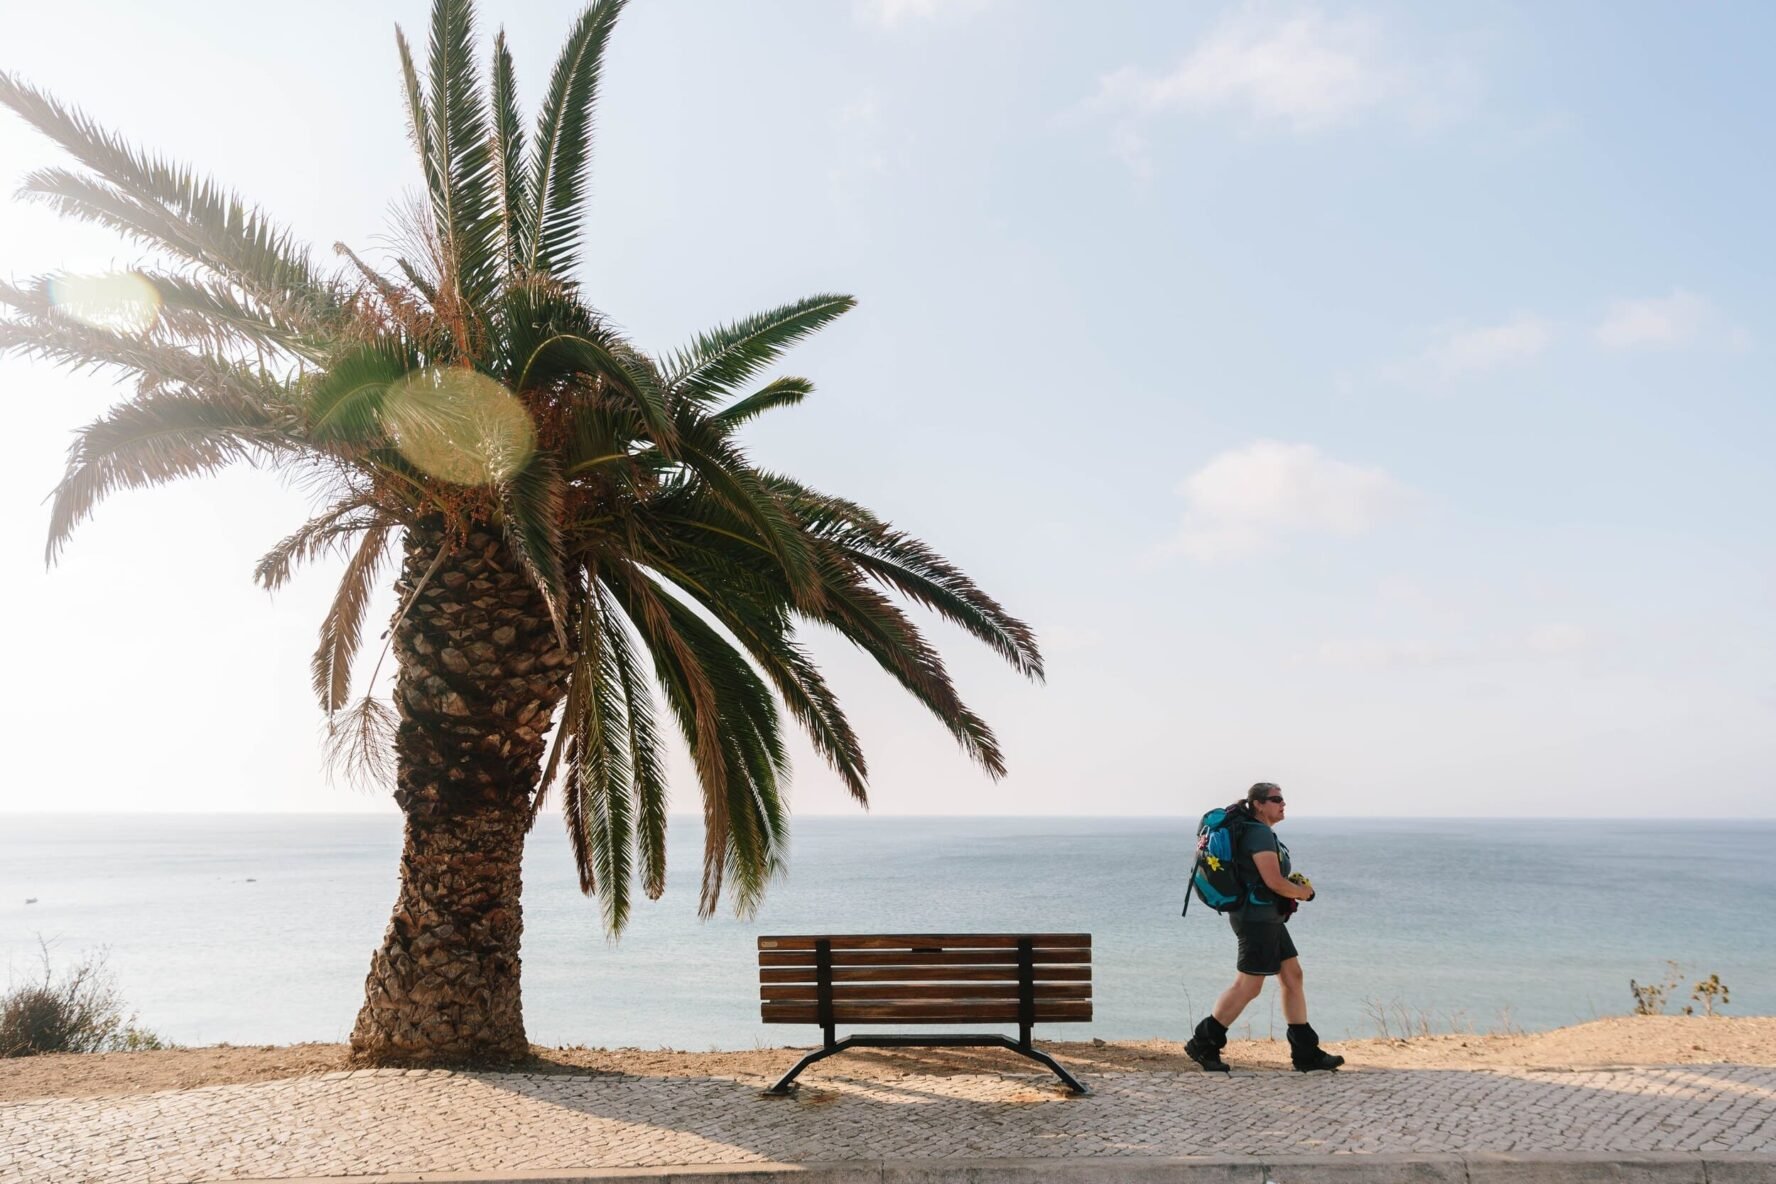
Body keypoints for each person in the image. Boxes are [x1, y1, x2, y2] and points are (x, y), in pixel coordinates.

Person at [1184, 782, 1344, 1073]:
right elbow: (1274, 882)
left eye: (1283, 799)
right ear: (1258, 804)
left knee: (1292, 976)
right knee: (1248, 985)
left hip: (1267, 917)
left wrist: (1291, 889)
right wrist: (1303, 892)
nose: (1283, 804)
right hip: (1256, 919)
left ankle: (1306, 1053)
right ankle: (1203, 1042)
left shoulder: (1257, 831)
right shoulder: (1258, 833)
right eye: (1276, 799)